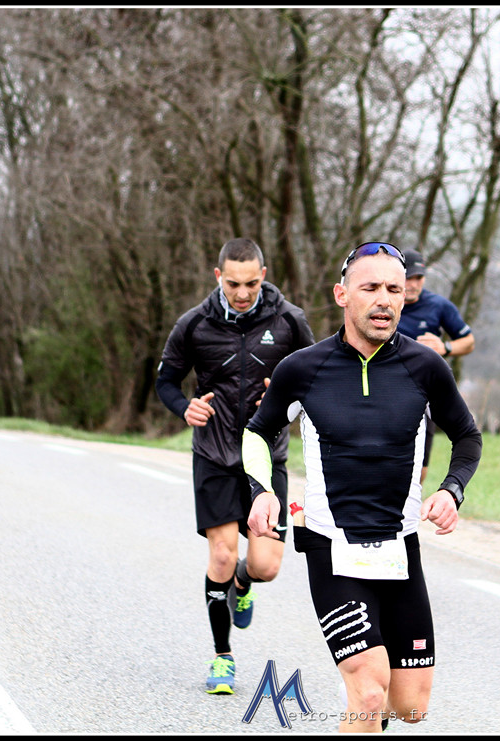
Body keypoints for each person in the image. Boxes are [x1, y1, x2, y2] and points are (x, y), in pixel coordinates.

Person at [242, 241, 483, 733]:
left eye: (394, 289)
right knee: (370, 692)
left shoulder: (425, 367)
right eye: (370, 287)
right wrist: (262, 490)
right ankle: (360, 694)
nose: (384, 299)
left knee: (409, 708)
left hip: (399, 547)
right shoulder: (303, 369)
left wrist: (451, 489)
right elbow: (257, 433)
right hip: (331, 546)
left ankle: (363, 702)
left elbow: (467, 436)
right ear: (342, 295)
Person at [155, 237, 315, 695]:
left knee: (266, 566)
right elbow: (166, 381)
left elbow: (316, 379)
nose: (241, 293)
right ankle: (222, 657)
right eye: (232, 284)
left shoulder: (290, 321)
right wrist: (184, 407)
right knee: (222, 554)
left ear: (263, 275)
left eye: (250, 284)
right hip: (214, 452)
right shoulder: (194, 324)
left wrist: (286, 402)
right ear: (218, 277)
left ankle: (243, 583)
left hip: (265, 456)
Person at [396, 248, 476, 484]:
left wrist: (445, 347)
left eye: (418, 278)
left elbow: (469, 341)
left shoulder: (439, 306)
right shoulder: (385, 303)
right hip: (387, 386)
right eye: (408, 278)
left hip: (424, 391)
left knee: (420, 463)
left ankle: (411, 500)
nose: (413, 284)